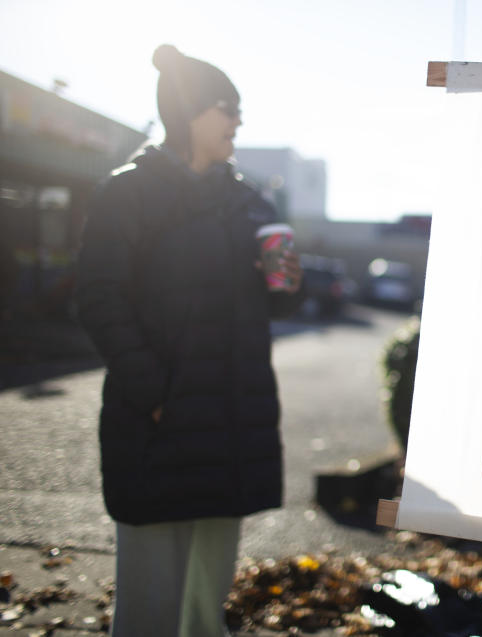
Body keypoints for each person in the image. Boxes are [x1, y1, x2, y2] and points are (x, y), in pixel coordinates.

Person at [74, 44, 303, 637]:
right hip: (157, 420)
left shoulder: (249, 202)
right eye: (227, 108)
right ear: (187, 113)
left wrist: (287, 285)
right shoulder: (129, 193)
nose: (238, 122)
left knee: (205, 610)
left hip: (230, 422)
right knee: (150, 608)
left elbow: (273, 300)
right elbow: (98, 297)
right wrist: (152, 390)